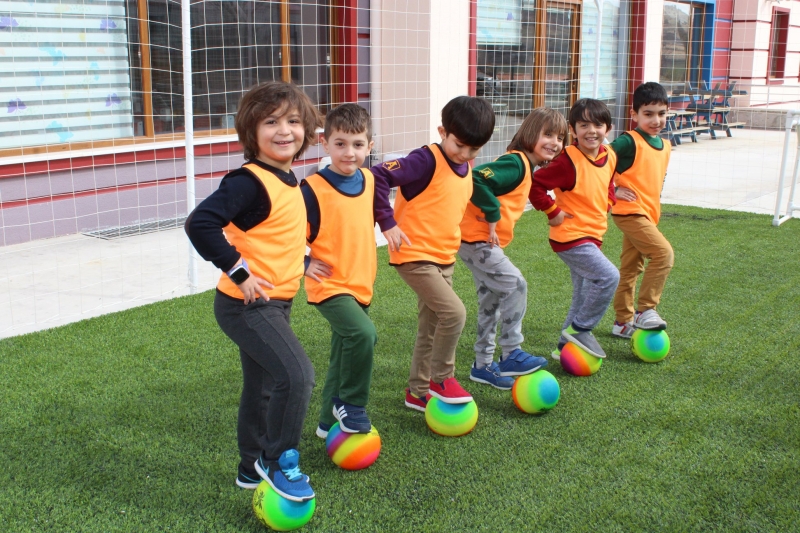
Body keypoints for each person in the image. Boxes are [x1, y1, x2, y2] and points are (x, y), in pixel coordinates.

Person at [184, 81, 321, 501]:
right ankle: (278, 460)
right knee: (297, 376)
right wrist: (238, 271)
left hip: (276, 302)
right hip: (247, 305)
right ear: (251, 130)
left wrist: (303, 262)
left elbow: (275, 237)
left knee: (263, 385)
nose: (284, 130)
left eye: (293, 121)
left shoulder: (289, 180)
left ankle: (250, 467)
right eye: (271, 122)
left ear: (306, 129)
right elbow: (199, 223)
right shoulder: (248, 182)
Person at [372, 96, 495, 411]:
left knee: (432, 327)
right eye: (459, 145)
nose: (465, 154)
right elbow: (378, 176)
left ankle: (417, 391)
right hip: (415, 256)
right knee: (454, 314)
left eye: (474, 150)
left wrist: (489, 218)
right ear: (443, 132)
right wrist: (387, 221)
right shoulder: (424, 160)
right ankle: (442, 378)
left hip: (444, 259)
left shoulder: (465, 166)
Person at [458, 108, 568, 389]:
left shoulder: (525, 166)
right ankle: (511, 353)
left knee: (491, 302)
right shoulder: (516, 163)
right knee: (515, 285)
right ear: (530, 133)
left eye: (560, 137)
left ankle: (482, 366)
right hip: (476, 240)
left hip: (477, 241)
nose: (555, 142)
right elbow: (476, 178)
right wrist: (492, 212)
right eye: (548, 134)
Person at [301, 104, 378, 438]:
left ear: (369, 146)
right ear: (325, 143)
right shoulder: (310, 189)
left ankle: (325, 423)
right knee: (363, 334)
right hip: (330, 286)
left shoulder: (370, 180)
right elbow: (285, 236)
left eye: (358, 144)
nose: (350, 152)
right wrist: (303, 263)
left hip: (361, 282)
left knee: (342, 354)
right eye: (341, 143)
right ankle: (352, 403)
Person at [528, 99, 620, 360]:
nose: (591, 131)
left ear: (608, 129)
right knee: (609, 277)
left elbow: (609, 183)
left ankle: (563, 348)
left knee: (583, 296)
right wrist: (552, 211)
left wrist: (609, 202)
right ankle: (580, 330)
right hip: (570, 237)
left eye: (598, 125)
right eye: (584, 125)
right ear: (573, 130)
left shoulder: (609, 155)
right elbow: (534, 185)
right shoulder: (567, 161)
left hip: (593, 235)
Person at [609, 82, 674, 338]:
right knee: (663, 254)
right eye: (648, 114)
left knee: (630, 269)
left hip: (649, 214)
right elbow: (598, 163)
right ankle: (645, 310)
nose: (656, 120)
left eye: (661, 113)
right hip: (629, 212)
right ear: (634, 114)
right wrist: (612, 190)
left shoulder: (666, 146)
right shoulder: (628, 142)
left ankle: (622, 322)